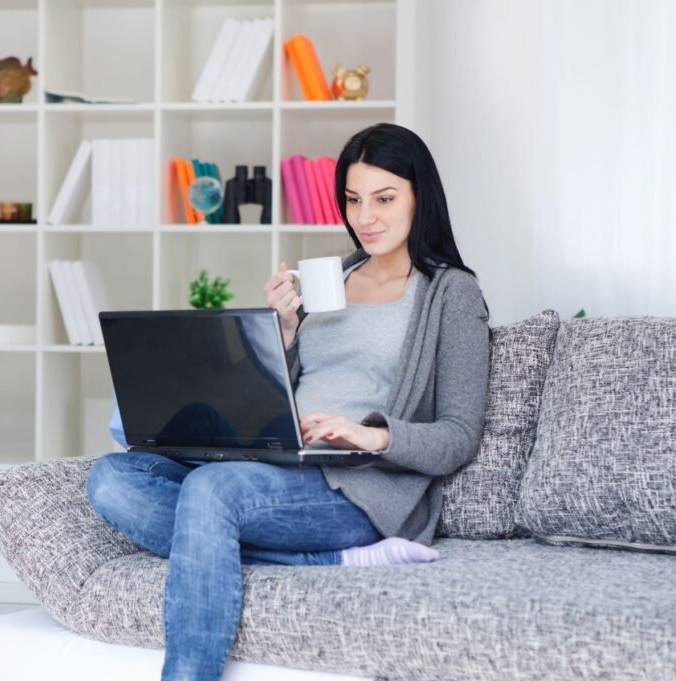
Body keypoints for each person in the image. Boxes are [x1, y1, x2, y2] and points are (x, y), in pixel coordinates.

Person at [86, 122, 491, 681]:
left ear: (420, 197)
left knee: (212, 490)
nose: (365, 217)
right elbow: (285, 386)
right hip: (280, 458)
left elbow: (458, 434)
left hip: (355, 485)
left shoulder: (451, 293)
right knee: (109, 479)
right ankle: (320, 562)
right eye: (352, 200)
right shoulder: (334, 276)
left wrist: (371, 433)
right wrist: (281, 332)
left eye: (384, 198)